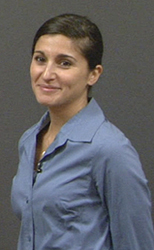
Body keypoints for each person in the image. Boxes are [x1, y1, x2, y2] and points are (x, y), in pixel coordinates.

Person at [11, 13, 154, 250]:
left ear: (93, 74)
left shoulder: (110, 150)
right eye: (40, 59)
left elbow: (136, 243)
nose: (47, 74)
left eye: (64, 63)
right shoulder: (29, 140)